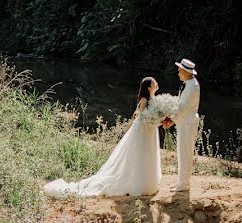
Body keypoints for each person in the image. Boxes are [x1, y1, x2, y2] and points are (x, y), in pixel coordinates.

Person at [43, 77, 161, 199]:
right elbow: (142, 117)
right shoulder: (144, 100)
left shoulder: (155, 99)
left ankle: (148, 182)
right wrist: (153, 119)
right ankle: (138, 183)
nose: (157, 84)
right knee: (140, 154)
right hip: (142, 130)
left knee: (148, 153)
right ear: (149, 87)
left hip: (150, 130)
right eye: (154, 83)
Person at [162, 58, 200, 192]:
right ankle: (181, 181)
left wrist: (171, 120)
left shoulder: (192, 86)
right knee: (182, 151)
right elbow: (180, 105)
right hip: (184, 122)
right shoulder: (188, 83)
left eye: (179, 70)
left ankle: (184, 183)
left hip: (188, 123)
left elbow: (183, 107)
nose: (178, 72)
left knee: (185, 152)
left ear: (186, 71)